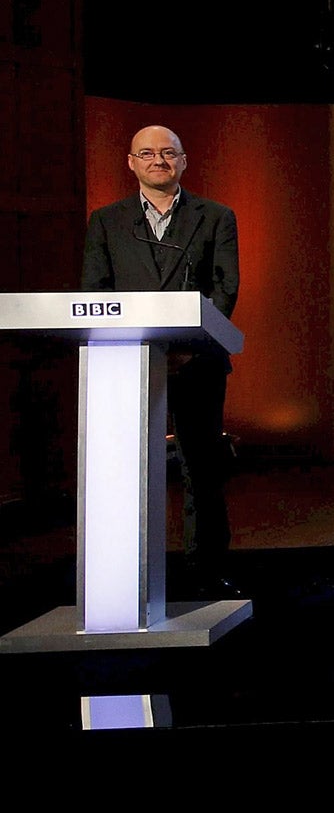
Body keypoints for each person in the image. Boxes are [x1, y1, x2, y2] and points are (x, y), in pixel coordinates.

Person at [81, 125, 242, 592]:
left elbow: (225, 288)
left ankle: (205, 572)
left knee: (202, 468)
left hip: (198, 362)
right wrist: (143, 347)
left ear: (183, 161)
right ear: (130, 162)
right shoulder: (106, 221)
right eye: (147, 153)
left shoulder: (215, 216)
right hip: (126, 364)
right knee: (124, 467)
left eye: (168, 153)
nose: (158, 160)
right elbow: (94, 292)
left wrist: (188, 345)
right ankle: (121, 576)